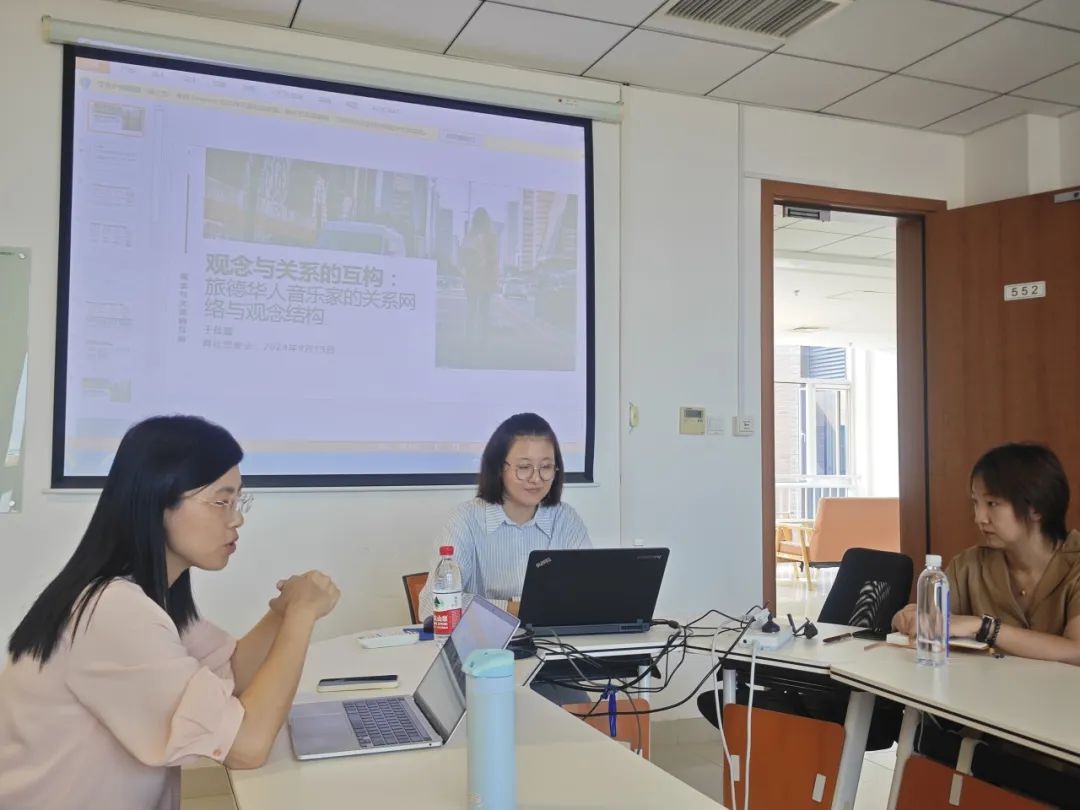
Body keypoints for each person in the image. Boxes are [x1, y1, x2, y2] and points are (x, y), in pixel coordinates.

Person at [0, 415, 340, 810]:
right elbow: (246, 747)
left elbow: (232, 673)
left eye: (238, 501)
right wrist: (301, 615)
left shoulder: (145, 595)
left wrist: (283, 612)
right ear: (159, 501)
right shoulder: (113, 610)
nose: (237, 518)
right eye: (221, 502)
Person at [893, 442, 1080, 664]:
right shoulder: (969, 565)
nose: (979, 518)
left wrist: (983, 627)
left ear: (1036, 508)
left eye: (992, 503)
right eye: (976, 503)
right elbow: (929, 619)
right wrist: (909, 617)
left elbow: (1076, 651)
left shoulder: (1074, 563)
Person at [417, 412, 590, 620]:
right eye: (524, 467)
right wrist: (517, 609)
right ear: (499, 468)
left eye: (546, 467)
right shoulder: (465, 520)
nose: (536, 479)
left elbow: (588, 595)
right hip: (485, 640)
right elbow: (431, 607)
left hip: (555, 639)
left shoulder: (565, 519)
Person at [460, 207, 499, 348]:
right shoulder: (491, 236)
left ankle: (469, 341)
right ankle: (483, 342)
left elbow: (462, 257)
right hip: (485, 278)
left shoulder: (469, 236)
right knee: (484, 312)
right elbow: (494, 259)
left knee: (471, 310)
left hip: (472, 277)